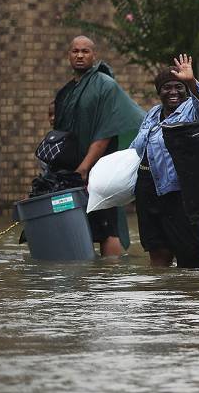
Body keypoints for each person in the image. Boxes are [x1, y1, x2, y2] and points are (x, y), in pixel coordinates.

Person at [53, 35, 144, 256]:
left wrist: (85, 167)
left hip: (97, 170)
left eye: (85, 51)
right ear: (69, 55)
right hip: (71, 171)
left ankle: (108, 280)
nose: (80, 55)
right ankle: (85, 279)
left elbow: (106, 131)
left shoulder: (105, 86)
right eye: (75, 51)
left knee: (106, 226)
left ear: (94, 56)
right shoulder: (69, 90)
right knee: (72, 222)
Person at [130, 54, 199, 267]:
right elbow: (136, 148)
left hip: (181, 193)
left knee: (190, 257)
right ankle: (162, 296)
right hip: (149, 190)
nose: (173, 92)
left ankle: (190, 296)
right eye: (167, 87)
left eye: (179, 87)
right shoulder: (152, 114)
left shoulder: (192, 110)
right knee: (157, 251)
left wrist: (192, 82)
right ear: (159, 91)